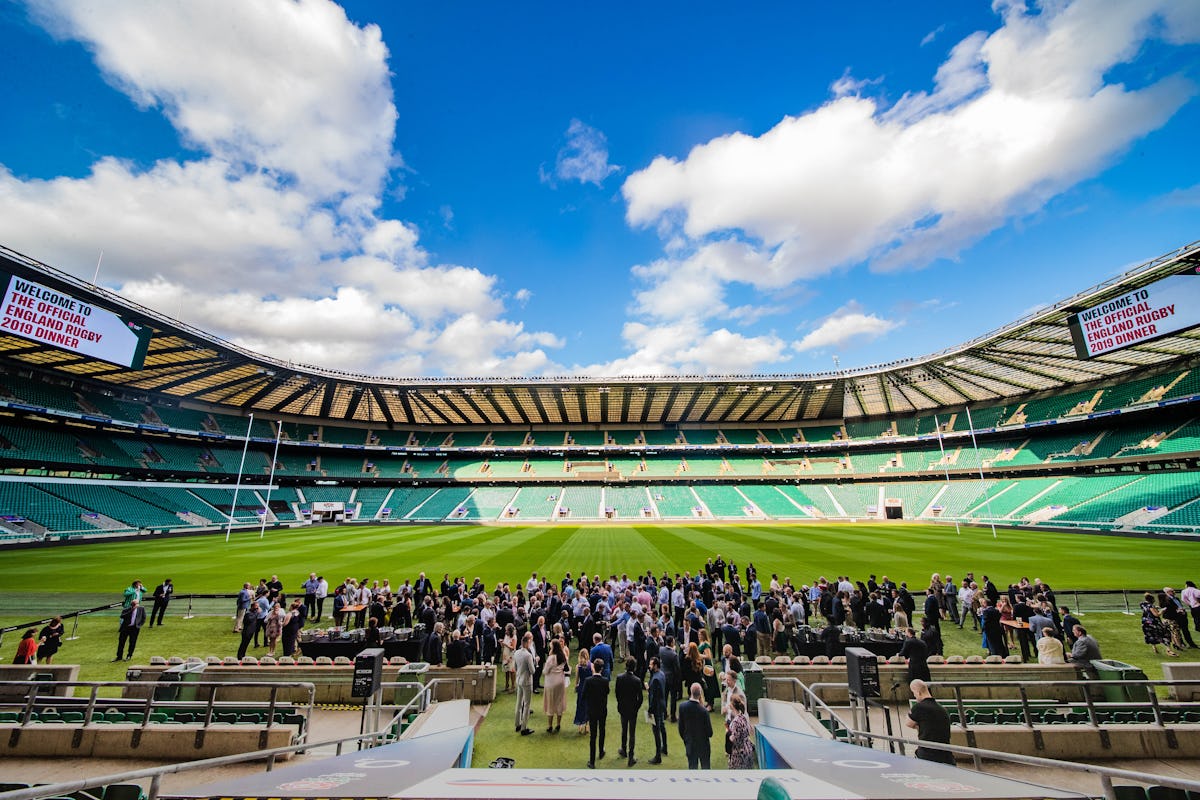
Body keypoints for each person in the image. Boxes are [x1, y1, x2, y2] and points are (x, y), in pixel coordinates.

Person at [906, 679, 954, 764]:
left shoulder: (919, 707)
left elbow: (908, 723)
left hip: (927, 755)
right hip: (946, 756)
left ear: (918, 692)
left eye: (914, 693)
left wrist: (918, 725)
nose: (915, 696)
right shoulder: (942, 709)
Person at [677, 682, 713, 770]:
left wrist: (686, 739)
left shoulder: (682, 707)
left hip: (690, 744)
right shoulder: (703, 711)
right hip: (703, 745)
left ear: (690, 691)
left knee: (692, 769)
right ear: (700, 693)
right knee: (706, 769)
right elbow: (709, 732)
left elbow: (681, 728)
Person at [615, 657, 643, 766]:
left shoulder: (619, 678)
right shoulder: (637, 680)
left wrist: (620, 703)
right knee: (632, 733)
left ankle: (623, 749)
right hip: (632, 709)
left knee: (624, 729)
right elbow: (640, 698)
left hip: (623, 708)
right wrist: (636, 707)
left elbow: (617, 693)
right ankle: (630, 756)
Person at [584, 657, 611, 768]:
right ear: (602, 669)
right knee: (602, 730)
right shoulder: (605, 681)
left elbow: (584, 695)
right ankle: (600, 751)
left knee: (593, 735)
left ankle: (592, 760)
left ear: (594, 668)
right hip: (602, 709)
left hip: (592, 710)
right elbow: (607, 692)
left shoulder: (588, 681)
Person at [542, 638, 569, 733]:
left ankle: (550, 725)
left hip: (551, 682)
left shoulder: (551, 658)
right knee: (559, 702)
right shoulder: (563, 656)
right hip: (560, 682)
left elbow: (545, 671)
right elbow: (566, 667)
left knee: (550, 703)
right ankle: (558, 724)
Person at [514, 632, 537, 735]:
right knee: (527, 705)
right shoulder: (528, 655)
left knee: (519, 703)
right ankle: (524, 727)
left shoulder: (516, 653)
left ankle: (517, 724)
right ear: (527, 643)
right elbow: (532, 671)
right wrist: (535, 661)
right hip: (527, 681)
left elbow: (515, 667)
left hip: (519, 679)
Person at [1141, 592, 1176, 657]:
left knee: (1151, 635)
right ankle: (1168, 650)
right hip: (1154, 623)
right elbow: (1156, 615)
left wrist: (1155, 608)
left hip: (1145, 623)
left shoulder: (1143, 604)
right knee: (1166, 634)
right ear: (1151, 600)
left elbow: (1148, 610)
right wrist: (1162, 611)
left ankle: (1154, 647)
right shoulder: (1151, 606)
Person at [647, 656, 668, 763]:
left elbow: (654, 697)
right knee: (662, 727)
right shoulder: (661, 674)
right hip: (662, 705)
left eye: (651, 664)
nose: (649, 666)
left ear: (655, 665)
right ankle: (665, 748)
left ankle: (658, 756)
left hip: (655, 708)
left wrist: (650, 710)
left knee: (656, 731)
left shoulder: (655, 678)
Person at [725, 695, 755, 769]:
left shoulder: (736, 721)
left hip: (739, 753)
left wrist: (728, 732)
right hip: (747, 749)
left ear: (732, 705)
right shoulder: (743, 716)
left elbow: (734, 739)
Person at [573, 647, 593, 734]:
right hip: (589, 688)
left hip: (581, 687)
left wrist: (575, 687)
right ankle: (587, 724)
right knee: (588, 706)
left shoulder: (578, 666)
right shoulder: (591, 665)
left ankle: (580, 724)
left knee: (580, 705)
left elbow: (577, 679)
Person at [501, 623, 517, 692]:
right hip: (505, 655)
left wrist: (505, 644)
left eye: (507, 630)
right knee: (506, 670)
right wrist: (502, 643)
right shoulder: (506, 636)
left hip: (511, 656)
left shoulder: (514, 637)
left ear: (510, 631)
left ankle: (513, 686)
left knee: (511, 671)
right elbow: (504, 645)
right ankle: (506, 685)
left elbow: (513, 647)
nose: (506, 632)